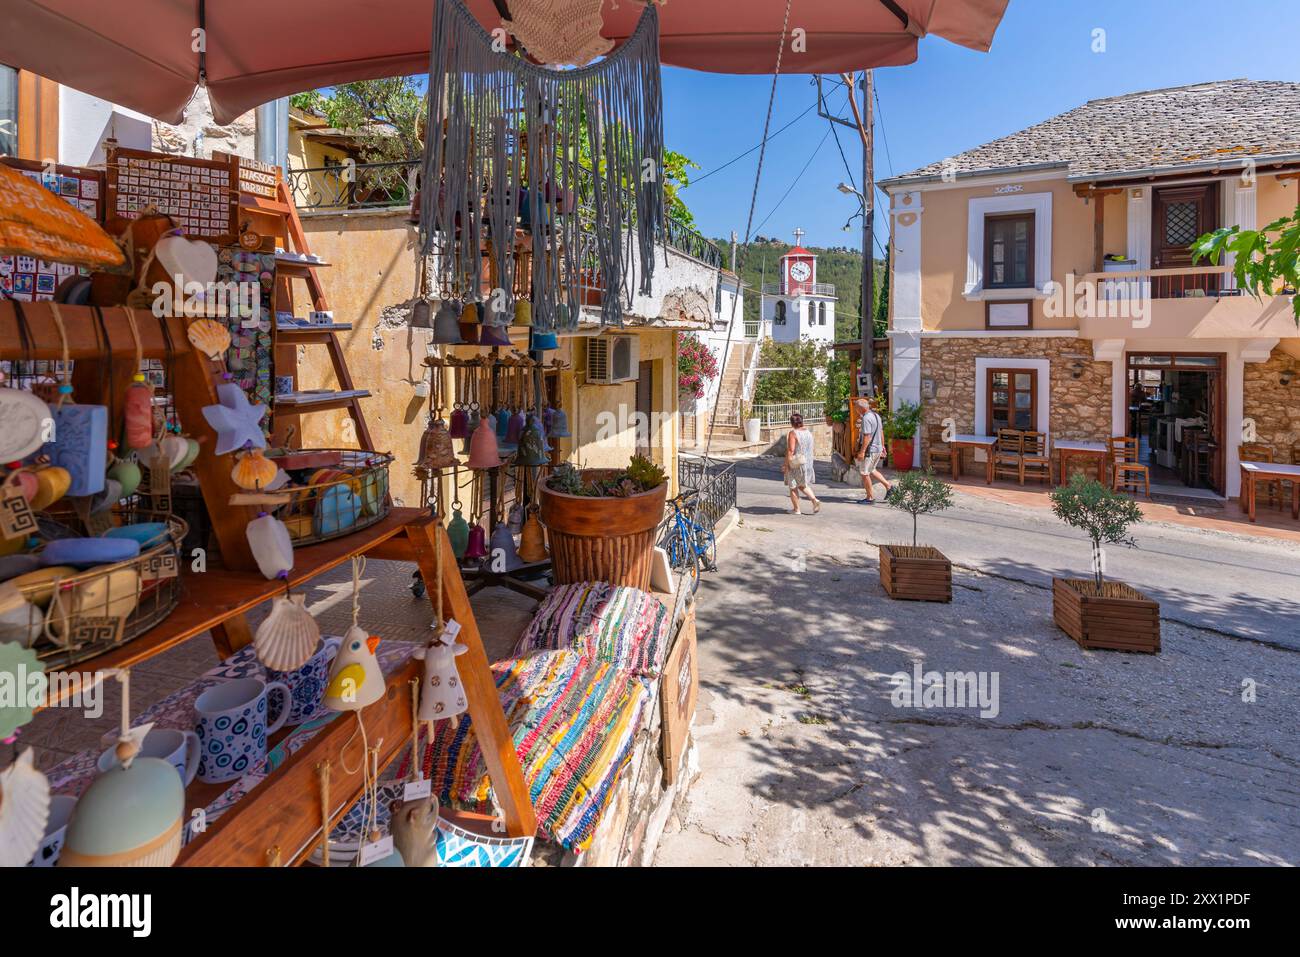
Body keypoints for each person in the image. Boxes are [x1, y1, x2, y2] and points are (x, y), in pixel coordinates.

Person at [854, 396, 893, 504]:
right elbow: (880, 432)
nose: (856, 411)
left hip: (870, 450)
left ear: (861, 408)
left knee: (864, 473)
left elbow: (867, 436)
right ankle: (889, 486)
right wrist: (883, 446)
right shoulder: (876, 416)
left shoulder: (866, 418)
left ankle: (870, 498)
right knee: (872, 470)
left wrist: (862, 452)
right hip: (878, 448)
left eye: (856, 408)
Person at [784, 412, 820, 515]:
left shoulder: (793, 433)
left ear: (792, 423)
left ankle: (796, 509)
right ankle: (814, 500)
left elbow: (791, 450)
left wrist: (786, 465)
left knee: (793, 486)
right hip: (807, 463)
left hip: (796, 463)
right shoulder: (808, 432)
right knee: (802, 484)